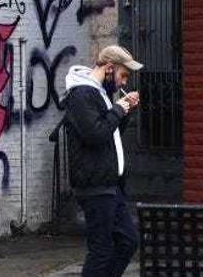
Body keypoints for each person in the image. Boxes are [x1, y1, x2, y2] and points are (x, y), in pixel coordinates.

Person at [63, 45, 144, 277]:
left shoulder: (100, 94)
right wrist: (118, 109)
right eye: (122, 75)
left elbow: (111, 133)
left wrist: (125, 111)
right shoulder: (82, 95)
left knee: (127, 242)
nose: (122, 82)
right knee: (101, 251)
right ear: (109, 68)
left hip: (110, 185)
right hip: (95, 185)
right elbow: (95, 134)